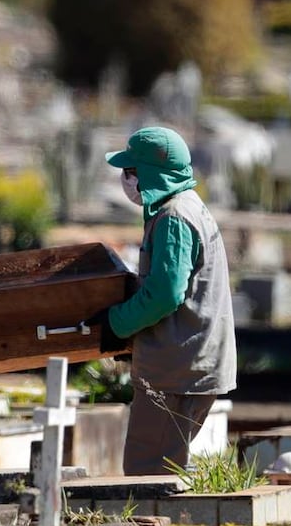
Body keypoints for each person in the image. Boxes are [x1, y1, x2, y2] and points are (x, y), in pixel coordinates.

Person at [98, 126, 237, 475]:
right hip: (189, 364)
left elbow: (165, 294)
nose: (126, 179)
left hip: (175, 370)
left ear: (149, 174)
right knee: (168, 468)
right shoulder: (188, 206)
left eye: (130, 171)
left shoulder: (173, 217)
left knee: (149, 474)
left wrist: (116, 322)